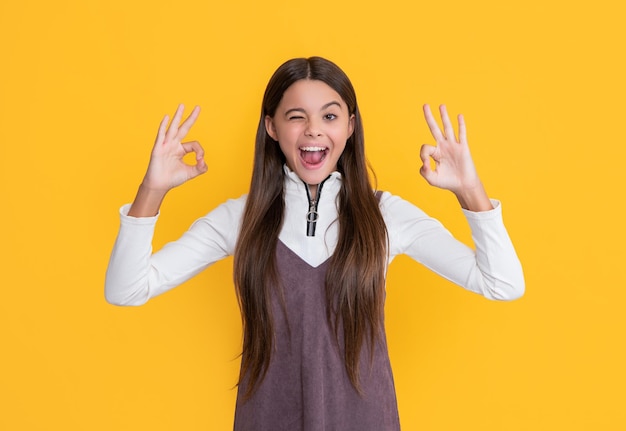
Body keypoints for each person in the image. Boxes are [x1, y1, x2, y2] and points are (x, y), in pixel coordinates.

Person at [105, 56, 524, 430]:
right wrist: (152, 189)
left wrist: (471, 191)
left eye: (329, 116)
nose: (313, 131)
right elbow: (126, 289)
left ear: (350, 126)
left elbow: (502, 283)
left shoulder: (385, 216)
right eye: (295, 117)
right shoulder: (241, 217)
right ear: (271, 126)